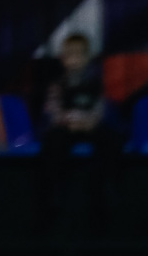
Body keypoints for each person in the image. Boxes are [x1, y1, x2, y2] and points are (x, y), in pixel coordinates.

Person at [38, 32, 122, 233]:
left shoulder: (95, 83)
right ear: (63, 59)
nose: (74, 60)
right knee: (53, 139)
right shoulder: (57, 85)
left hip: (89, 127)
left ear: (87, 58)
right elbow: (53, 113)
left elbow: (99, 111)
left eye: (79, 55)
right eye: (70, 55)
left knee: (110, 136)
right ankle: (54, 195)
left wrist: (87, 123)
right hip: (66, 129)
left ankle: (108, 190)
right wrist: (68, 121)